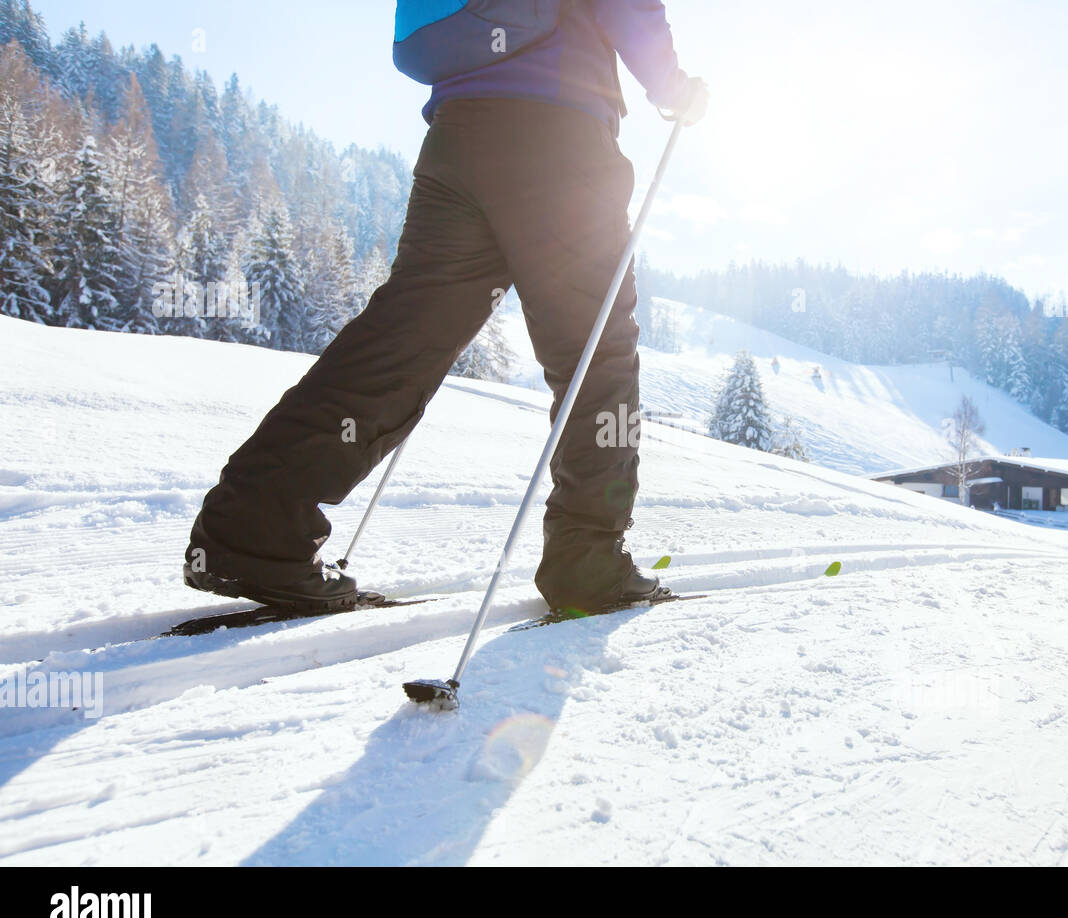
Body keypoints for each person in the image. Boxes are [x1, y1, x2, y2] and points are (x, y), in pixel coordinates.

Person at [183, 1, 709, 613]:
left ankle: (251, 535)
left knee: (399, 341)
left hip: (459, 137)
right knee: (596, 356)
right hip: (562, 141)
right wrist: (672, 85)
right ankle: (586, 566)